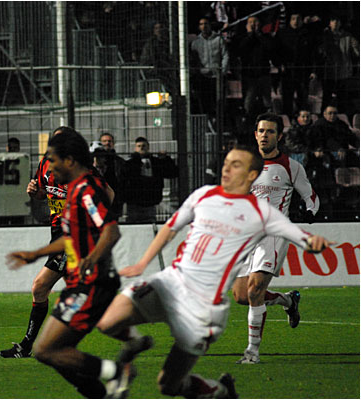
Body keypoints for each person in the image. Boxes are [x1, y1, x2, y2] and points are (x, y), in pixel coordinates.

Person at [94, 144, 333, 398]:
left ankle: (219, 390)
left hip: (204, 307)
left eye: (236, 164)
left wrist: (313, 242)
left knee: (168, 385)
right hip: (171, 282)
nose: (227, 168)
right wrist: (143, 263)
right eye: (226, 162)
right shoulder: (204, 194)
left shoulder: (262, 213)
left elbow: (300, 236)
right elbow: (170, 227)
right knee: (107, 321)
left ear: (252, 175)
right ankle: (132, 348)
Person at [6, 129, 143, 399]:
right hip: (82, 283)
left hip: (93, 282)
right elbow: (70, 236)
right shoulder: (75, 190)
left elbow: (111, 230)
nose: (49, 168)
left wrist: (90, 259)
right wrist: (35, 254)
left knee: (49, 350)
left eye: (54, 161)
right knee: (50, 353)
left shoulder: (88, 190)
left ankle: (115, 370)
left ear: (69, 161)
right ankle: (111, 377)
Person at [231, 112, 320, 364]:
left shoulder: (292, 167)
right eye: (261, 131)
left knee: (255, 288)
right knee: (242, 296)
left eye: (270, 131)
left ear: (279, 136)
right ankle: (289, 300)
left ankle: (252, 352)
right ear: (255, 134)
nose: (264, 135)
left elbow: (311, 196)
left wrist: (311, 211)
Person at [0, 126, 74, 358]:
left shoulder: (77, 168)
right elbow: (43, 192)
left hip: (72, 240)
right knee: (87, 297)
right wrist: (34, 191)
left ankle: (29, 346)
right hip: (57, 234)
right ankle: (130, 332)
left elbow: (106, 194)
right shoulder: (45, 165)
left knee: (40, 287)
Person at [121, 137, 178, 223]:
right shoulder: (130, 163)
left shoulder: (155, 162)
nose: (141, 148)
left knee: (149, 222)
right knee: (133, 223)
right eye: (139, 146)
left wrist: (166, 159)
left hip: (150, 200)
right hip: (134, 201)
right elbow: (127, 175)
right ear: (135, 148)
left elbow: (172, 173)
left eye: (144, 146)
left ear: (148, 147)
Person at [237, 16, 280, 117]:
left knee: (266, 99)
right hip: (249, 74)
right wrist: (250, 34)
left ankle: (268, 117)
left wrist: (258, 34)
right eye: (250, 22)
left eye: (255, 22)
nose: (253, 24)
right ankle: (247, 118)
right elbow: (241, 49)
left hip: (263, 73)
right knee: (249, 99)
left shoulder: (265, 37)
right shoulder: (243, 37)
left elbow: (269, 48)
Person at [275, 13, 317, 117]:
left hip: (303, 70)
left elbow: (313, 53)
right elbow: (276, 52)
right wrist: (280, 64)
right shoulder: (282, 34)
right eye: (293, 19)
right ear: (289, 21)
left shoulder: (308, 34)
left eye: (298, 19)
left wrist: (313, 70)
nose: (296, 21)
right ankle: (288, 119)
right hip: (288, 71)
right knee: (287, 97)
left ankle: (302, 120)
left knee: (302, 97)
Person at [318, 16, 360, 117]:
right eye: (333, 20)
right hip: (328, 73)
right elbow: (319, 53)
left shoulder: (347, 36)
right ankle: (323, 118)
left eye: (337, 21)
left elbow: (357, 53)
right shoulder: (324, 36)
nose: (335, 23)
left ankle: (342, 118)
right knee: (326, 99)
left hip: (343, 73)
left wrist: (356, 46)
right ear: (329, 23)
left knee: (342, 99)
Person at [190, 17, 229, 117]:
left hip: (217, 76)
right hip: (203, 77)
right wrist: (199, 70)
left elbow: (225, 55)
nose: (204, 26)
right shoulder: (196, 42)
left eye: (206, 24)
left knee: (219, 101)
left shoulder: (218, 39)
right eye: (201, 24)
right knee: (205, 101)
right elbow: (194, 60)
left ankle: (219, 121)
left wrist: (222, 71)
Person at [98, 132, 125, 216]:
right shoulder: (94, 161)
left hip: (116, 199)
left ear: (113, 143)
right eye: (104, 141)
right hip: (99, 198)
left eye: (109, 141)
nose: (107, 143)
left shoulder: (119, 161)